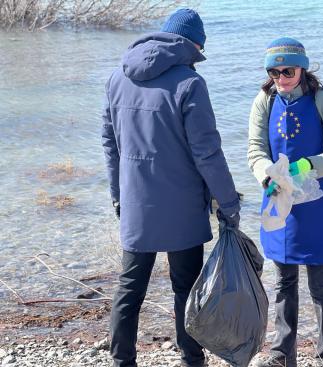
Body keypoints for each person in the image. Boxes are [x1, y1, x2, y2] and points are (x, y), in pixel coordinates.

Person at [101, 8, 241, 367]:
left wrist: (118, 195)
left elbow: (109, 143)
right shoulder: (190, 83)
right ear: (195, 45)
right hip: (181, 208)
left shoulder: (117, 78)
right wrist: (228, 202)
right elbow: (207, 152)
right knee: (185, 288)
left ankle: (121, 361)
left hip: (136, 204)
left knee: (130, 287)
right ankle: (191, 359)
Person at [247, 37, 323, 367]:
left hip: (320, 202)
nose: (281, 77)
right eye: (274, 71)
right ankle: (281, 355)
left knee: (320, 284)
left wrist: (308, 165)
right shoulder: (264, 101)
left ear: (302, 68)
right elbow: (255, 150)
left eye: (288, 70)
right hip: (280, 201)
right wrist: (267, 173)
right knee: (283, 282)